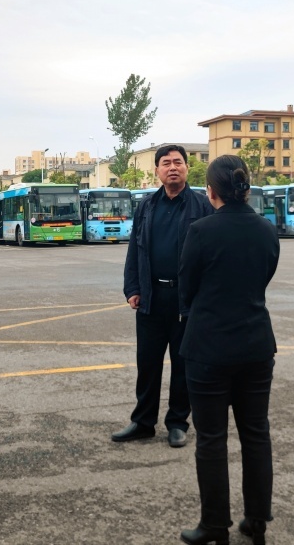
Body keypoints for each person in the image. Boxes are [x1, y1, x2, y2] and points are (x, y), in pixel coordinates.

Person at [176, 155, 280, 545]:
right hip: (256, 345)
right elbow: (264, 277)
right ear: (245, 187)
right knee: (256, 434)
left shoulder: (201, 231)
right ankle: (257, 521)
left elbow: (187, 288)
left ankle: (214, 525)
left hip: (209, 348)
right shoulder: (266, 229)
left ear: (211, 191)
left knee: (211, 438)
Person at [112, 145, 214, 448]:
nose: (173, 167)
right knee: (147, 364)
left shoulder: (202, 206)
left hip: (186, 301)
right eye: (166, 163)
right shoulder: (146, 206)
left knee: (183, 366)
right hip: (151, 297)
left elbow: (212, 255)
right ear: (157, 170)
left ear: (186, 168)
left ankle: (178, 423)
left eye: (178, 162)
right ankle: (143, 422)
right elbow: (135, 249)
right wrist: (133, 288)